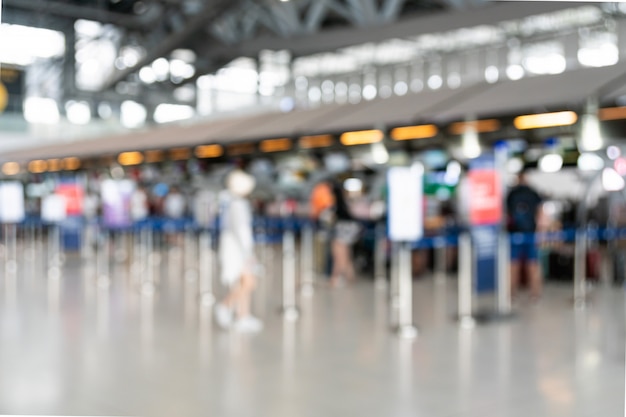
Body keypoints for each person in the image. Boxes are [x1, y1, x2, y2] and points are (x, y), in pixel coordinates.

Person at [214, 169, 263, 332]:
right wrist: (248, 254)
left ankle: (243, 316)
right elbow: (241, 231)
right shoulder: (238, 204)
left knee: (241, 283)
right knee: (249, 283)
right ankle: (225, 306)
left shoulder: (231, 202)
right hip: (237, 250)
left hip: (234, 248)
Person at [506, 169, 543, 301]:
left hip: (515, 234)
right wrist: (540, 232)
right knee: (532, 264)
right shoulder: (533, 193)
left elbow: (506, 215)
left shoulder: (512, 193)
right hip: (530, 234)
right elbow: (540, 215)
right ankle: (535, 294)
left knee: (513, 265)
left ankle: (511, 294)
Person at [329, 178, 360, 287]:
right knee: (346, 253)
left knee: (339, 254)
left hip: (343, 229)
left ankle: (336, 278)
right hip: (350, 228)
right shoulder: (346, 201)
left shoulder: (335, 202)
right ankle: (349, 276)